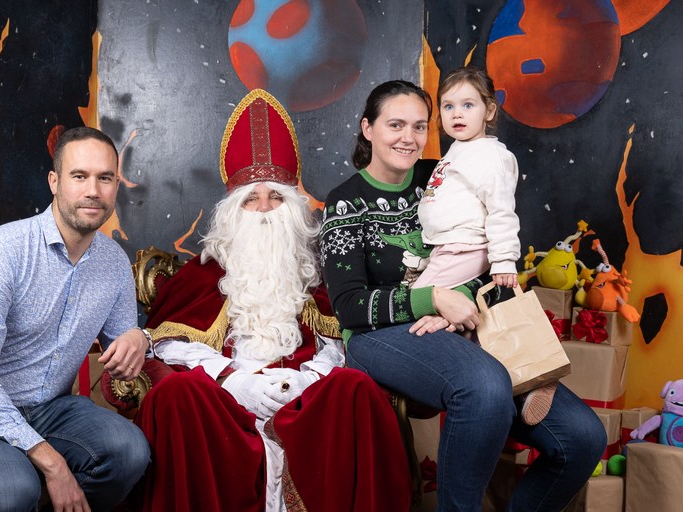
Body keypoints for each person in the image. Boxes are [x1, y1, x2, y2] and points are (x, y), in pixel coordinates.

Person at [320, 79, 606, 511]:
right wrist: (433, 299)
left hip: (461, 320)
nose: (408, 137)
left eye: (420, 126)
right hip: (377, 336)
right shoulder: (345, 202)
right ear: (367, 128)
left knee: (583, 439)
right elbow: (349, 306)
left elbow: (488, 251)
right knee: (485, 386)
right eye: (395, 124)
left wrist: (457, 303)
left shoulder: (443, 173)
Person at [133, 89, 411, 512]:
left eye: (276, 197)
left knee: (354, 387)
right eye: (251, 198)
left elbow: (341, 341)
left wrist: (308, 380)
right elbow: (166, 343)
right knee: (179, 394)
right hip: (225, 407)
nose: (264, 209)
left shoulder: (318, 273)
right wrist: (234, 381)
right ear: (232, 210)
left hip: (305, 403)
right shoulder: (201, 275)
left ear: (294, 208)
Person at [0, 127, 151, 511]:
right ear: (54, 182)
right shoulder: (3, 252)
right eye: (79, 176)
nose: (93, 190)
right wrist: (52, 462)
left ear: (116, 185)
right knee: (13, 490)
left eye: (105, 178)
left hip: (51, 410)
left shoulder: (114, 264)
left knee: (130, 451)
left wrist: (140, 338)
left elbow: (124, 356)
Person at [410, 65, 554, 425]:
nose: (456, 114)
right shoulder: (460, 151)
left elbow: (501, 211)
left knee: (416, 303)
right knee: (463, 320)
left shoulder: (491, 156)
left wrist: (503, 260)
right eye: (448, 106)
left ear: (489, 111)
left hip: (467, 247)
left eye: (468, 105)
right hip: (448, 247)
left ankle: (526, 373)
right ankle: (515, 377)